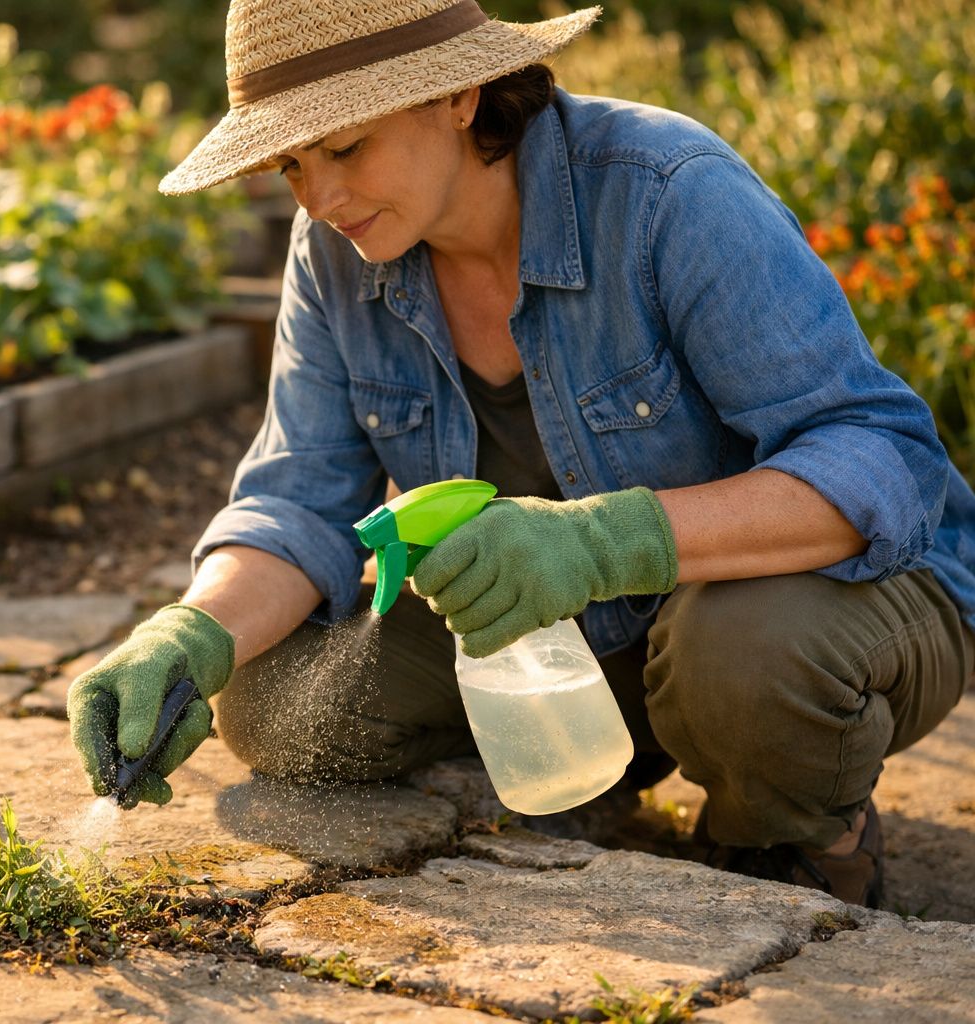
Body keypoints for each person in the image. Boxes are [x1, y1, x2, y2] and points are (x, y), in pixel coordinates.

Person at [67, 0, 975, 909]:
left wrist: (599, 543)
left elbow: (882, 457)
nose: (320, 198)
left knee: (744, 654)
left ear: (458, 93)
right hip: (585, 631)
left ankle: (801, 837)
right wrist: (187, 632)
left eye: (344, 147)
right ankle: (601, 760)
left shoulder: (666, 190)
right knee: (268, 695)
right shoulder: (336, 253)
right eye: (290, 164)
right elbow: (301, 498)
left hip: (834, 598)